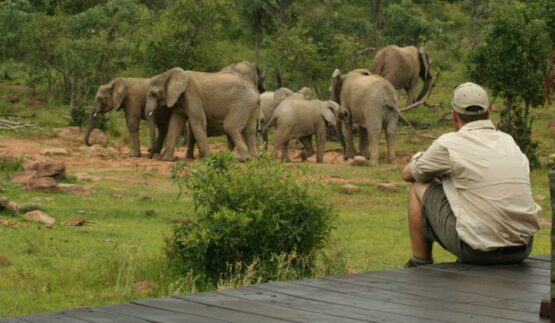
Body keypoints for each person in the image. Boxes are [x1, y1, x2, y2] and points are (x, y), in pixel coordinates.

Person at [401, 82, 541, 267]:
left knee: (418, 187)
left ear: (454, 116)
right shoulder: (509, 141)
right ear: (488, 112)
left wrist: (422, 159)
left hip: (478, 252)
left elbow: (408, 174)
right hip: (522, 248)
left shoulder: (449, 144)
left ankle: (420, 262)